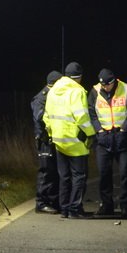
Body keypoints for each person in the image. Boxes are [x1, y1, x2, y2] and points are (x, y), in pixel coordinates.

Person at [44, 61, 96, 218]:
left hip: (59, 141)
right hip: (75, 141)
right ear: (79, 77)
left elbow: (47, 116)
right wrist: (91, 133)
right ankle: (75, 209)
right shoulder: (77, 91)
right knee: (79, 176)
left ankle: (65, 209)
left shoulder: (53, 91)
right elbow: (81, 116)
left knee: (64, 177)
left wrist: (52, 133)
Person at [88, 68, 127, 217]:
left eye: (108, 85)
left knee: (125, 173)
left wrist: (124, 130)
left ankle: (125, 206)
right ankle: (106, 205)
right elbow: (91, 112)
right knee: (104, 174)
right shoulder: (94, 91)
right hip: (103, 139)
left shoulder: (126, 89)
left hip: (123, 138)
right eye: (103, 85)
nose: (105, 87)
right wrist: (98, 130)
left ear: (114, 81)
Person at [31, 70, 62, 213]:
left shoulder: (51, 95)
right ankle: (41, 202)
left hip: (52, 138)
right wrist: (44, 136)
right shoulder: (42, 97)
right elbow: (39, 118)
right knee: (46, 172)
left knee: (54, 172)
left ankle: (54, 201)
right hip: (45, 140)